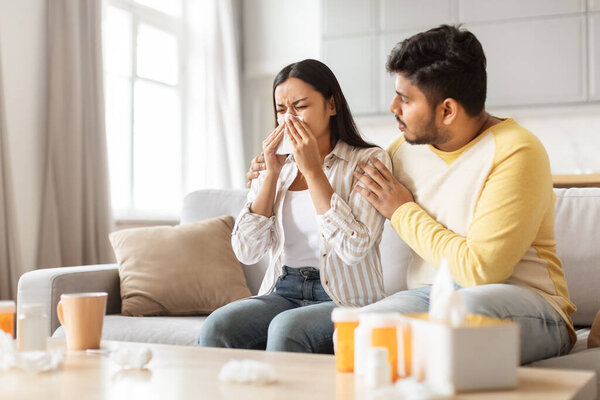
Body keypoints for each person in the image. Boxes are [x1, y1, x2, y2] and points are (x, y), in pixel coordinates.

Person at [350, 25, 575, 364]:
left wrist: (401, 210)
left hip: (527, 302)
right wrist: (277, 173)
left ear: (447, 110)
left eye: (406, 99)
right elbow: (344, 182)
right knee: (367, 329)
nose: (393, 106)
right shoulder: (404, 149)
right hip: (431, 296)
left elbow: (479, 271)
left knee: (459, 317)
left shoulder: (517, 152)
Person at [197, 59, 392, 353]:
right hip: (283, 289)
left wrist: (314, 171)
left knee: (287, 328)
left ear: (332, 105)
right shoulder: (275, 166)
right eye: (281, 110)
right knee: (217, 326)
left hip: (343, 298)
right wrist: (271, 175)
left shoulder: (368, 161)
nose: (289, 119)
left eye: (300, 106)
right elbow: (247, 251)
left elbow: (354, 249)